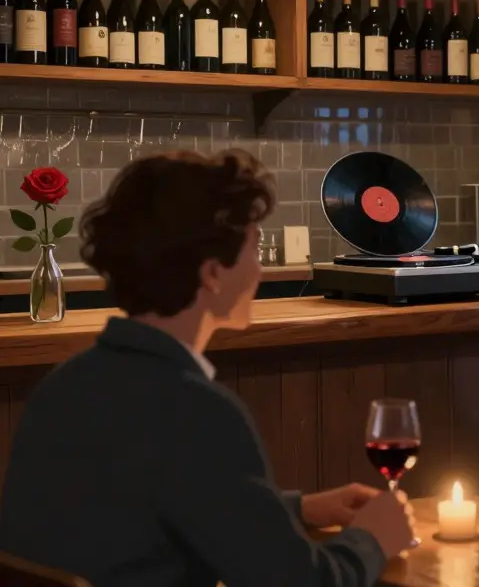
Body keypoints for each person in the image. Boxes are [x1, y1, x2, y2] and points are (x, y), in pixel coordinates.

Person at [0, 150, 417, 587]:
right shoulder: (195, 410)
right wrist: (372, 539)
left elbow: (140, 514)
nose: (258, 268)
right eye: (254, 247)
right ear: (213, 273)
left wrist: (295, 509)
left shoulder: (63, 386)